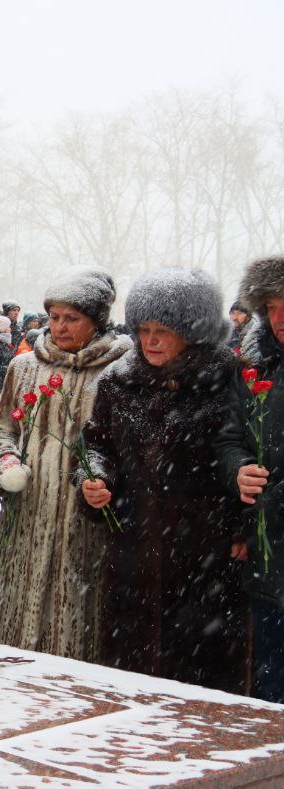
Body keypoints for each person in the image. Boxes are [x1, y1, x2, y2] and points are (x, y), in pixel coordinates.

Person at [80, 268, 246, 692]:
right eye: (144, 329)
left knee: (198, 664)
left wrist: (240, 526)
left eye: (163, 331)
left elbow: (240, 454)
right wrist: (95, 480)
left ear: (193, 331)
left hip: (203, 546)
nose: (150, 341)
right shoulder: (119, 380)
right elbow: (96, 444)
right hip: (134, 542)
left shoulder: (225, 379)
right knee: (131, 662)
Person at [0, 266, 131, 661]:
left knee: (77, 620)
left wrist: (102, 482)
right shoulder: (24, 367)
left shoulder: (120, 371)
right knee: (12, 621)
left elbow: (126, 445)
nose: (60, 327)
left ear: (96, 322)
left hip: (85, 521)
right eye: (54, 317)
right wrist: (5, 463)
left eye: (72, 318)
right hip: (26, 515)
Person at [216, 256, 284, 702]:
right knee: (271, 685)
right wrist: (238, 470)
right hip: (270, 561)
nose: (279, 319)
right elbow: (229, 437)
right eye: (271, 307)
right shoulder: (254, 367)